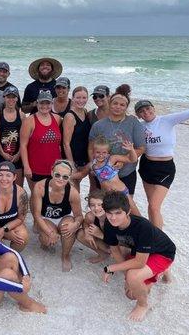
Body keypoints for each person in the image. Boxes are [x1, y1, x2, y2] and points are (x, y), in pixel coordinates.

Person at [135, 96, 189, 228]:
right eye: (141, 111)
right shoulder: (139, 126)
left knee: (154, 206)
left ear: (153, 108)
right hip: (147, 166)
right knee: (152, 206)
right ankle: (155, 235)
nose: (146, 112)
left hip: (165, 168)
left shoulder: (167, 120)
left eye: (148, 108)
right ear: (138, 114)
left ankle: (157, 243)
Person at [101, 191, 176, 322]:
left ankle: (143, 305)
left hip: (162, 253)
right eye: (109, 213)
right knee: (131, 294)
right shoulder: (109, 225)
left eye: (118, 213)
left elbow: (140, 263)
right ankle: (158, 272)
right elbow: (115, 251)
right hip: (140, 252)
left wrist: (112, 268)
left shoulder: (143, 226)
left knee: (133, 277)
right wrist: (126, 278)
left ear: (128, 212)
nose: (113, 218)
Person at [88, 84, 146, 199]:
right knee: (105, 205)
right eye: (115, 103)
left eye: (122, 105)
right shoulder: (99, 125)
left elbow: (141, 148)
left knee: (125, 207)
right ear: (110, 104)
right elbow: (91, 148)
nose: (118, 107)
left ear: (126, 107)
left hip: (127, 172)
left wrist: (123, 161)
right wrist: (94, 165)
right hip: (103, 174)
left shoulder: (133, 122)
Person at [30, 160, 83, 271]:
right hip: (45, 218)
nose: (60, 179)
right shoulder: (40, 187)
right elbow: (37, 214)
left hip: (64, 217)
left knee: (68, 229)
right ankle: (45, 240)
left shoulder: (73, 192)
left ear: (69, 177)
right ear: (51, 172)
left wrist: (75, 225)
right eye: (57, 175)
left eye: (65, 177)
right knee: (47, 239)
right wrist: (50, 233)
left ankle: (65, 255)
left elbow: (79, 216)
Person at [74, 136, 141, 216]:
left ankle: (145, 228)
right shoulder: (92, 165)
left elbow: (132, 159)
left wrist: (131, 150)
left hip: (121, 193)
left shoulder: (112, 159)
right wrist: (66, 175)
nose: (101, 155)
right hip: (107, 196)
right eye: (98, 152)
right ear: (93, 152)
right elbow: (81, 174)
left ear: (108, 153)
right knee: (112, 216)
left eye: (104, 152)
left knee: (134, 213)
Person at [20, 90, 62, 189]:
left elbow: (59, 143)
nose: (44, 106)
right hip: (35, 168)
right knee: (36, 197)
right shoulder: (29, 121)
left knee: (51, 197)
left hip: (55, 168)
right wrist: (26, 166)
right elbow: (23, 145)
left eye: (47, 103)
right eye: (42, 103)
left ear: (52, 104)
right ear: (37, 103)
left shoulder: (57, 119)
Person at [0, 85, 26, 186]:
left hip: (17, 156)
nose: (11, 99)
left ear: (17, 98)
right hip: (0, 154)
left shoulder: (22, 115)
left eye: (13, 97)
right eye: (8, 97)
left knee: (18, 187)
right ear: (4, 98)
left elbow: (24, 138)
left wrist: (18, 154)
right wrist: (3, 153)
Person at [62, 86, 91, 190]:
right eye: (78, 97)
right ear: (72, 98)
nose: (81, 100)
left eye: (84, 98)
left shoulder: (86, 112)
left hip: (84, 159)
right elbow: (66, 143)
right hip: (73, 159)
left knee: (77, 188)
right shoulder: (69, 116)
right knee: (73, 190)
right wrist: (71, 164)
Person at [76, 190, 110, 263]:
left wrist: (100, 235)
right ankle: (103, 254)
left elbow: (122, 241)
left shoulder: (113, 217)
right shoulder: (90, 216)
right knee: (80, 234)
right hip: (106, 244)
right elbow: (85, 222)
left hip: (119, 245)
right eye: (92, 205)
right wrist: (86, 231)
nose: (96, 208)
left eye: (100, 205)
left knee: (123, 250)